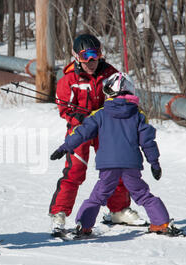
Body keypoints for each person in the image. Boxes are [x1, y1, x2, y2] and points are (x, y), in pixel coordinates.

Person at [50, 72, 179, 236]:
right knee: (142, 193)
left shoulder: (100, 114)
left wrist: (65, 147)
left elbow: (81, 133)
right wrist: (154, 163)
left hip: (108, 165)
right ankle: (162, 223)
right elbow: (148, 142)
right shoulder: (138, 115)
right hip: (131, 165)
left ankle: (84, 225)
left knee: (97, 196)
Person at [49, 33, 145, 235]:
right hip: (81, 130)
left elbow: (122, 96)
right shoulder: (69, 79)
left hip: (106, 130)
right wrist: (81, 118)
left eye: (96, 55)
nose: (92, 62)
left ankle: (118, 210)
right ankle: (59, 213)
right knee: (74, 171)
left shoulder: (110, 74)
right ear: (76, 57)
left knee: (114, 168)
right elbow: (64, 109)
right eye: (86, 57)